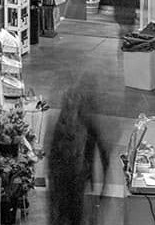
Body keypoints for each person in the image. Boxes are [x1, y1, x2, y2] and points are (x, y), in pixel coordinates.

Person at [46, 79, 109, 225]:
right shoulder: (85, 119)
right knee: (70, 214)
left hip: (71, 177)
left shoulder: (79, 120)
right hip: (70, 177)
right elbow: (103, 152)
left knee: (66, 214)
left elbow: (101, 150)